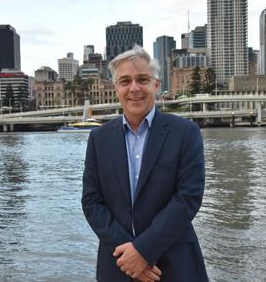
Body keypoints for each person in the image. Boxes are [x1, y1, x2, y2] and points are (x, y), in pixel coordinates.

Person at [82, 45, 208, 282]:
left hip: (175, 265)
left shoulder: (185, 133)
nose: (134, 88)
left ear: (156, 85)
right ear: (116, 88)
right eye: (125, 81)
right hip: (118, 265)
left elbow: (188, 198)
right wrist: (130, 254)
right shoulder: (99, 139)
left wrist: (143, 250)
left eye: (142, 79)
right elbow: (92, 202)